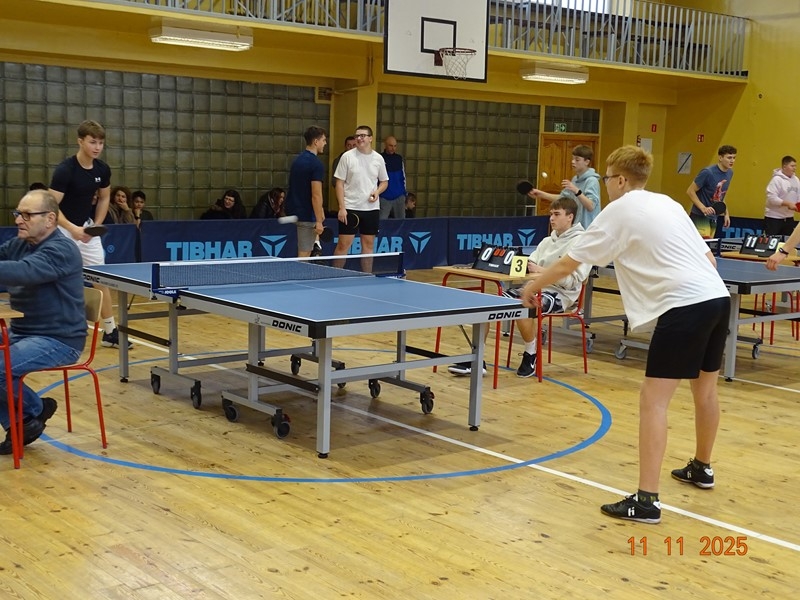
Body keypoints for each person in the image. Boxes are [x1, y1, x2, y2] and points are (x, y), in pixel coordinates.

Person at [520, 145, 731, 524]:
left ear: (620, 180)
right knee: (706, 391)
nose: (605, 184)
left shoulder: (618, 210)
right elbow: (710, 259)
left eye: (606, 178)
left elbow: (569, 263)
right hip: (717, 298)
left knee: (653, 401)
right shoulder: (667, 203)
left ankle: (646, 500)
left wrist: (532, 286)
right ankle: (702, 467)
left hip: (683, 306)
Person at [447, 197, 590, 377]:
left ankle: (531, 354)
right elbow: (528, 265)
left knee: (523, 305)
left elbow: (572, 281)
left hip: (561, 295)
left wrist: (541, 272)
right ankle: (477, 359)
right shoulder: (547, 241)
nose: (551, 218)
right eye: (550, 214)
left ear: (570, 217)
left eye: (556, 214)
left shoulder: (582, 242)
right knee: (486, 304)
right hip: (532, 288)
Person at [0, 190, 87, 455]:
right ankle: (23, 423)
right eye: (18, 213)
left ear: (50, 219)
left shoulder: (62, 249)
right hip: (22, 332)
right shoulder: (19, 244)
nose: (18, 220)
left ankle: (35, 409)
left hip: (59, 339)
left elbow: (25, 272)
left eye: (27, 215)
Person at [47, 119, 129, 349]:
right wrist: (72, 229)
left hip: (87, 228)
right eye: (93, 142)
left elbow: (104, 197)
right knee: (60, 280)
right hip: (62, 230)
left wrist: (95, 227)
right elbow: (51, 205)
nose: (97, 147)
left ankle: (110, 332)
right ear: (80, 141)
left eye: (101, 143)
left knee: (100, 279)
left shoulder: (102, 169)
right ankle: (56, 328)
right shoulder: (66, 170)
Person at [332, 125, 388, 271]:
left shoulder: (378, 159)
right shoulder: (347, 157)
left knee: (368, 246)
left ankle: (367, 278)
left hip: (371, 209)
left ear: (370, 138)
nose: (359, 138)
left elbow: (384, 182)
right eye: (357, 136)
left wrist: (377, 192)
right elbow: (339, 183)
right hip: (350, 208)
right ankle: (334, 277)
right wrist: (342, 207)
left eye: (363, 135)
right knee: (343, 245)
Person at [528, 145, 601, 229]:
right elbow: (562, 198)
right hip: (576, 228)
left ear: (587, 162)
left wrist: (576, 191)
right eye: (573, 159)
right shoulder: (575, 180)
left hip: (589, 228)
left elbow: (591, 206)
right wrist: (540, 194)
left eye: (577, 160)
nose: (573, 162)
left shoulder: (592, 181)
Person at [284, 126, 327, 257]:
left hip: (294, 210)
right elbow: (316, 194)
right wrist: (319, 221)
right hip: (306, 215)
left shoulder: (297, 161)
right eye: (324, 140)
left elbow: (301, 187)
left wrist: (320, 211)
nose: (325, 143)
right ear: (316, 142)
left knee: (307, 249)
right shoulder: (316, 164)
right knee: (304, 253)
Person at [687, 144, 737, 238]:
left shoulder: (730, 173)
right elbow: (690, 191)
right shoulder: (708, 172)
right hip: (700, 216)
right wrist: (703, 208)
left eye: (734, 158)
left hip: (714, 217)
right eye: (729, 158)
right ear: (720, 158)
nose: (732, 161)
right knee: (703, 244)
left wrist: (726, 213)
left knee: (709, 244)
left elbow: (721, 196)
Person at [764, 155, 800, 237]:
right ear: (784, 166)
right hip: (774, 218)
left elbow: (798, 196)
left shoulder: (796, 180)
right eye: (792, 166)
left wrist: (797, 205)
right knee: (772, 241)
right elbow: (771, 198)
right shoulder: (776, 180)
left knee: (787, 242)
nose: (794, 168)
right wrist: (788, 204)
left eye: (795, 166)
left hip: (789, 218)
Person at [379, 135, 407, 219]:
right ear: (385, 145)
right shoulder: (379, 158)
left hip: (399, 196)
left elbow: (403, 176)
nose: (393, 148)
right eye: (390, 146)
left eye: (395, 146)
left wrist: (404, 193)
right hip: (384, 197)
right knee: (382, 222)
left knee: (401, 222)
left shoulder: (399, 159)